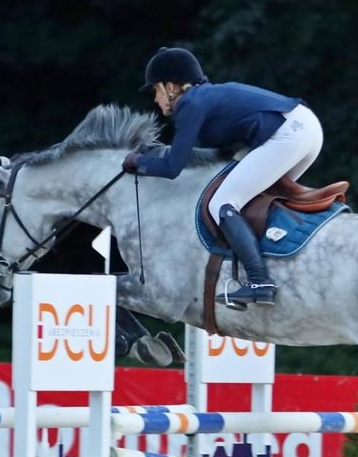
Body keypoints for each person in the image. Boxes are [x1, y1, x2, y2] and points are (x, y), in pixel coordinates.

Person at [121, 47, 323, 309]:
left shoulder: (190, 104)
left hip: (288, 134)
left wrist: (137, 161)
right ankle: (278, 267)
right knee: (253, 200)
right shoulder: (207, 99)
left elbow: (173, 168)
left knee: (222, 204)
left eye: (155, 91)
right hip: (306, 129)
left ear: (170, 87)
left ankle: (260, 281)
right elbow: (212, 154)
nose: (156, 100)